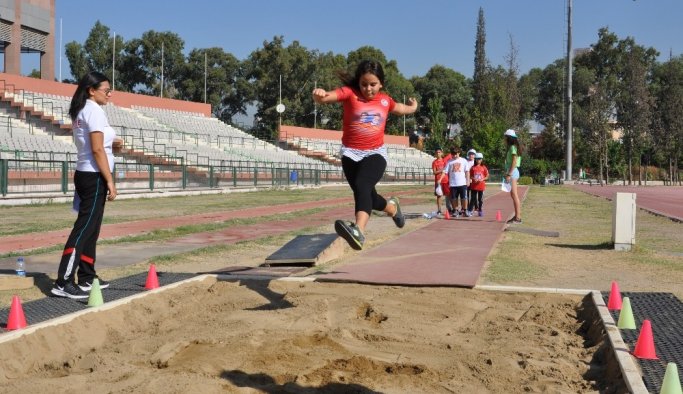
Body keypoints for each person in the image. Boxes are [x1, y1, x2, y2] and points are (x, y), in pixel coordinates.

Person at [312, 60, 418, 250]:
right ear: (358, 83)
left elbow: (401, 109)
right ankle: (392, 207)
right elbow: (328, 97)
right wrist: (319, 94)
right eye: (364, 84)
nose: (368, 89)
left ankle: (358, 231)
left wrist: (413, 107)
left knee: (362, 185)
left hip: (375, 153)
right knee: (367, 195)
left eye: (373, 84)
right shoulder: (349, 93)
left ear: (381, 83)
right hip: (350, 154)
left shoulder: (385, 100)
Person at [51, 71, 117, 299]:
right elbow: (97, 150)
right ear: (91, 90)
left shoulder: (82, 110)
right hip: (94, 175)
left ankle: (87, 276)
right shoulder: (94, 111)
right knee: (84, 228)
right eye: (106, 90)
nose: (110, 94)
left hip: (86, 172)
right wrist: (109, 180)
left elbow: (96, 146)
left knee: (92, 228)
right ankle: (63, 281)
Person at [438, 147, 470, 217]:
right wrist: (440, 179)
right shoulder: (449, 162)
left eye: (456, 154)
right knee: (454, 198)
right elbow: (444, 172)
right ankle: (455, 210)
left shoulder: (464, 161)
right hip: (453, 184)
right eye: (453, 154)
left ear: (459, 153)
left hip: (462, 183)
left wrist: (468, 180)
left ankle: (465, 210)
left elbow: (467, 171)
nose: (454, 155)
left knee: (464, 198)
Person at [504, 129, 523, 224]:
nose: (504, 139)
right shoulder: (513, 147)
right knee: (513, 194)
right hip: (513, 171)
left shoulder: (512, 147)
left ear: (509, 138)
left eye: (505, 137)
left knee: (514, 194)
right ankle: (516, 216)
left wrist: (509, 174)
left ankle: (518, 218)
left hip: (513, 172)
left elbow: (514, 162)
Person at [468, 152, 489, 216]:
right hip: (474, 186)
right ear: (475, 159)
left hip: (481, 186)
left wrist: (482, 179)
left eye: (479, 159)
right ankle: (470, 210)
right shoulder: (472, 167)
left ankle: (480, 210)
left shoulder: (484, 167)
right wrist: (474, 178)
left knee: (480, 199)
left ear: (482, 159)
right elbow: (470, 175)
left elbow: (487, 176)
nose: (478, 160)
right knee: (473, 199)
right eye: (477, 159)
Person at [431, 147, 450, 215]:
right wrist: (441, 170)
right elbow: (434, 172)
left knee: (448, 195)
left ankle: (449, 209)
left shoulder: (444, 161)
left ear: (442, 153)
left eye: (439, 152)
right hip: (438, 181)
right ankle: (439, 210)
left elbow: (447, 170)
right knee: (439, 196)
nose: (438, 153)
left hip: (445, 180)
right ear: (435, 154)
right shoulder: (434, 162)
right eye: (437, 152)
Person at [465, 148, 477, 215]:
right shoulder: (465, 162)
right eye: (470, 154)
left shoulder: (476, 162)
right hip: (466, 181)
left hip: (474, 181)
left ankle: (474, 207)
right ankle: (467, 208)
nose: (471, 156)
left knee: (474, 195)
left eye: (473, 154)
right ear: (468, 155)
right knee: (466, 195)